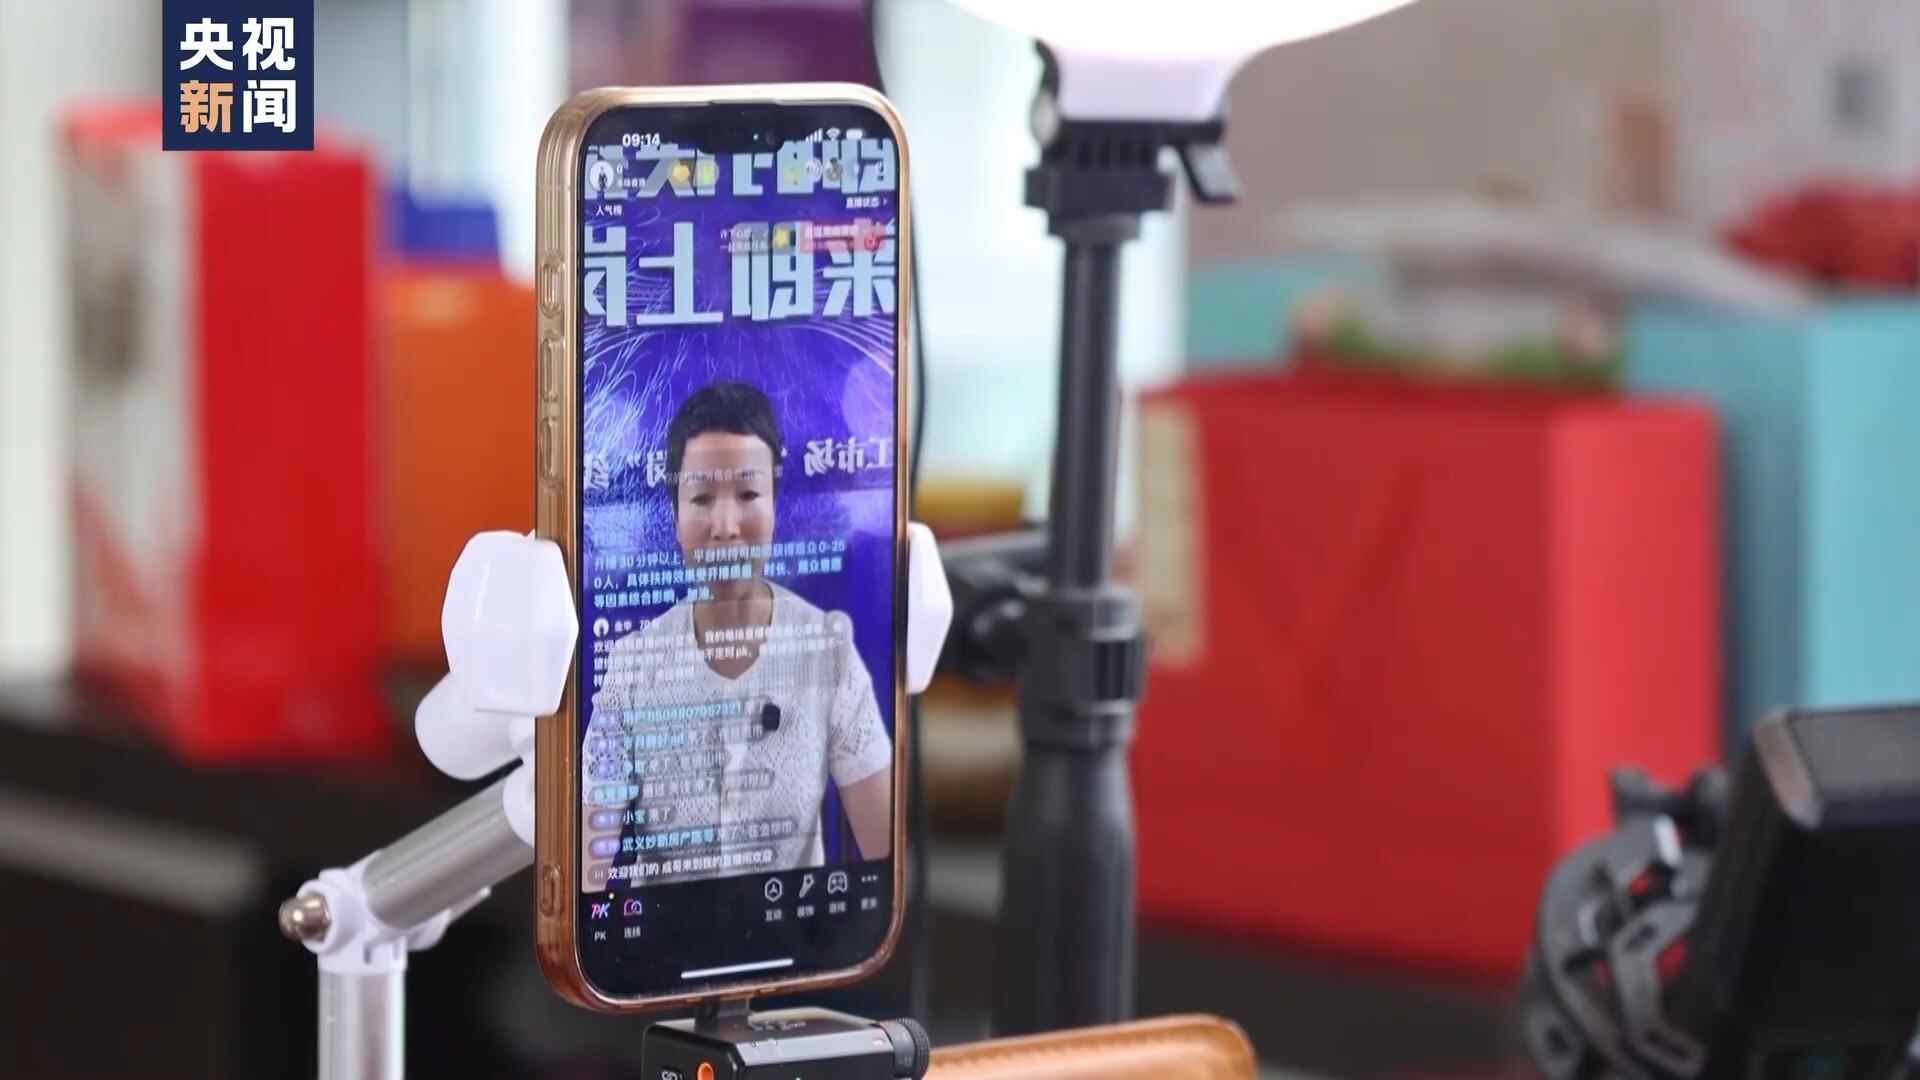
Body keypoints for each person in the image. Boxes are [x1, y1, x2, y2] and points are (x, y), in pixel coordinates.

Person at [583, 380, 892, 887]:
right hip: (664, 936)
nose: (725, 525)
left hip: (794, 930)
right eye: (702, 497)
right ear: (675, 515)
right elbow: (588, 863)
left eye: (748, 494)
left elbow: (887, 860)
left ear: (774, 505)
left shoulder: (827, 647)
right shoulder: (633, 663)